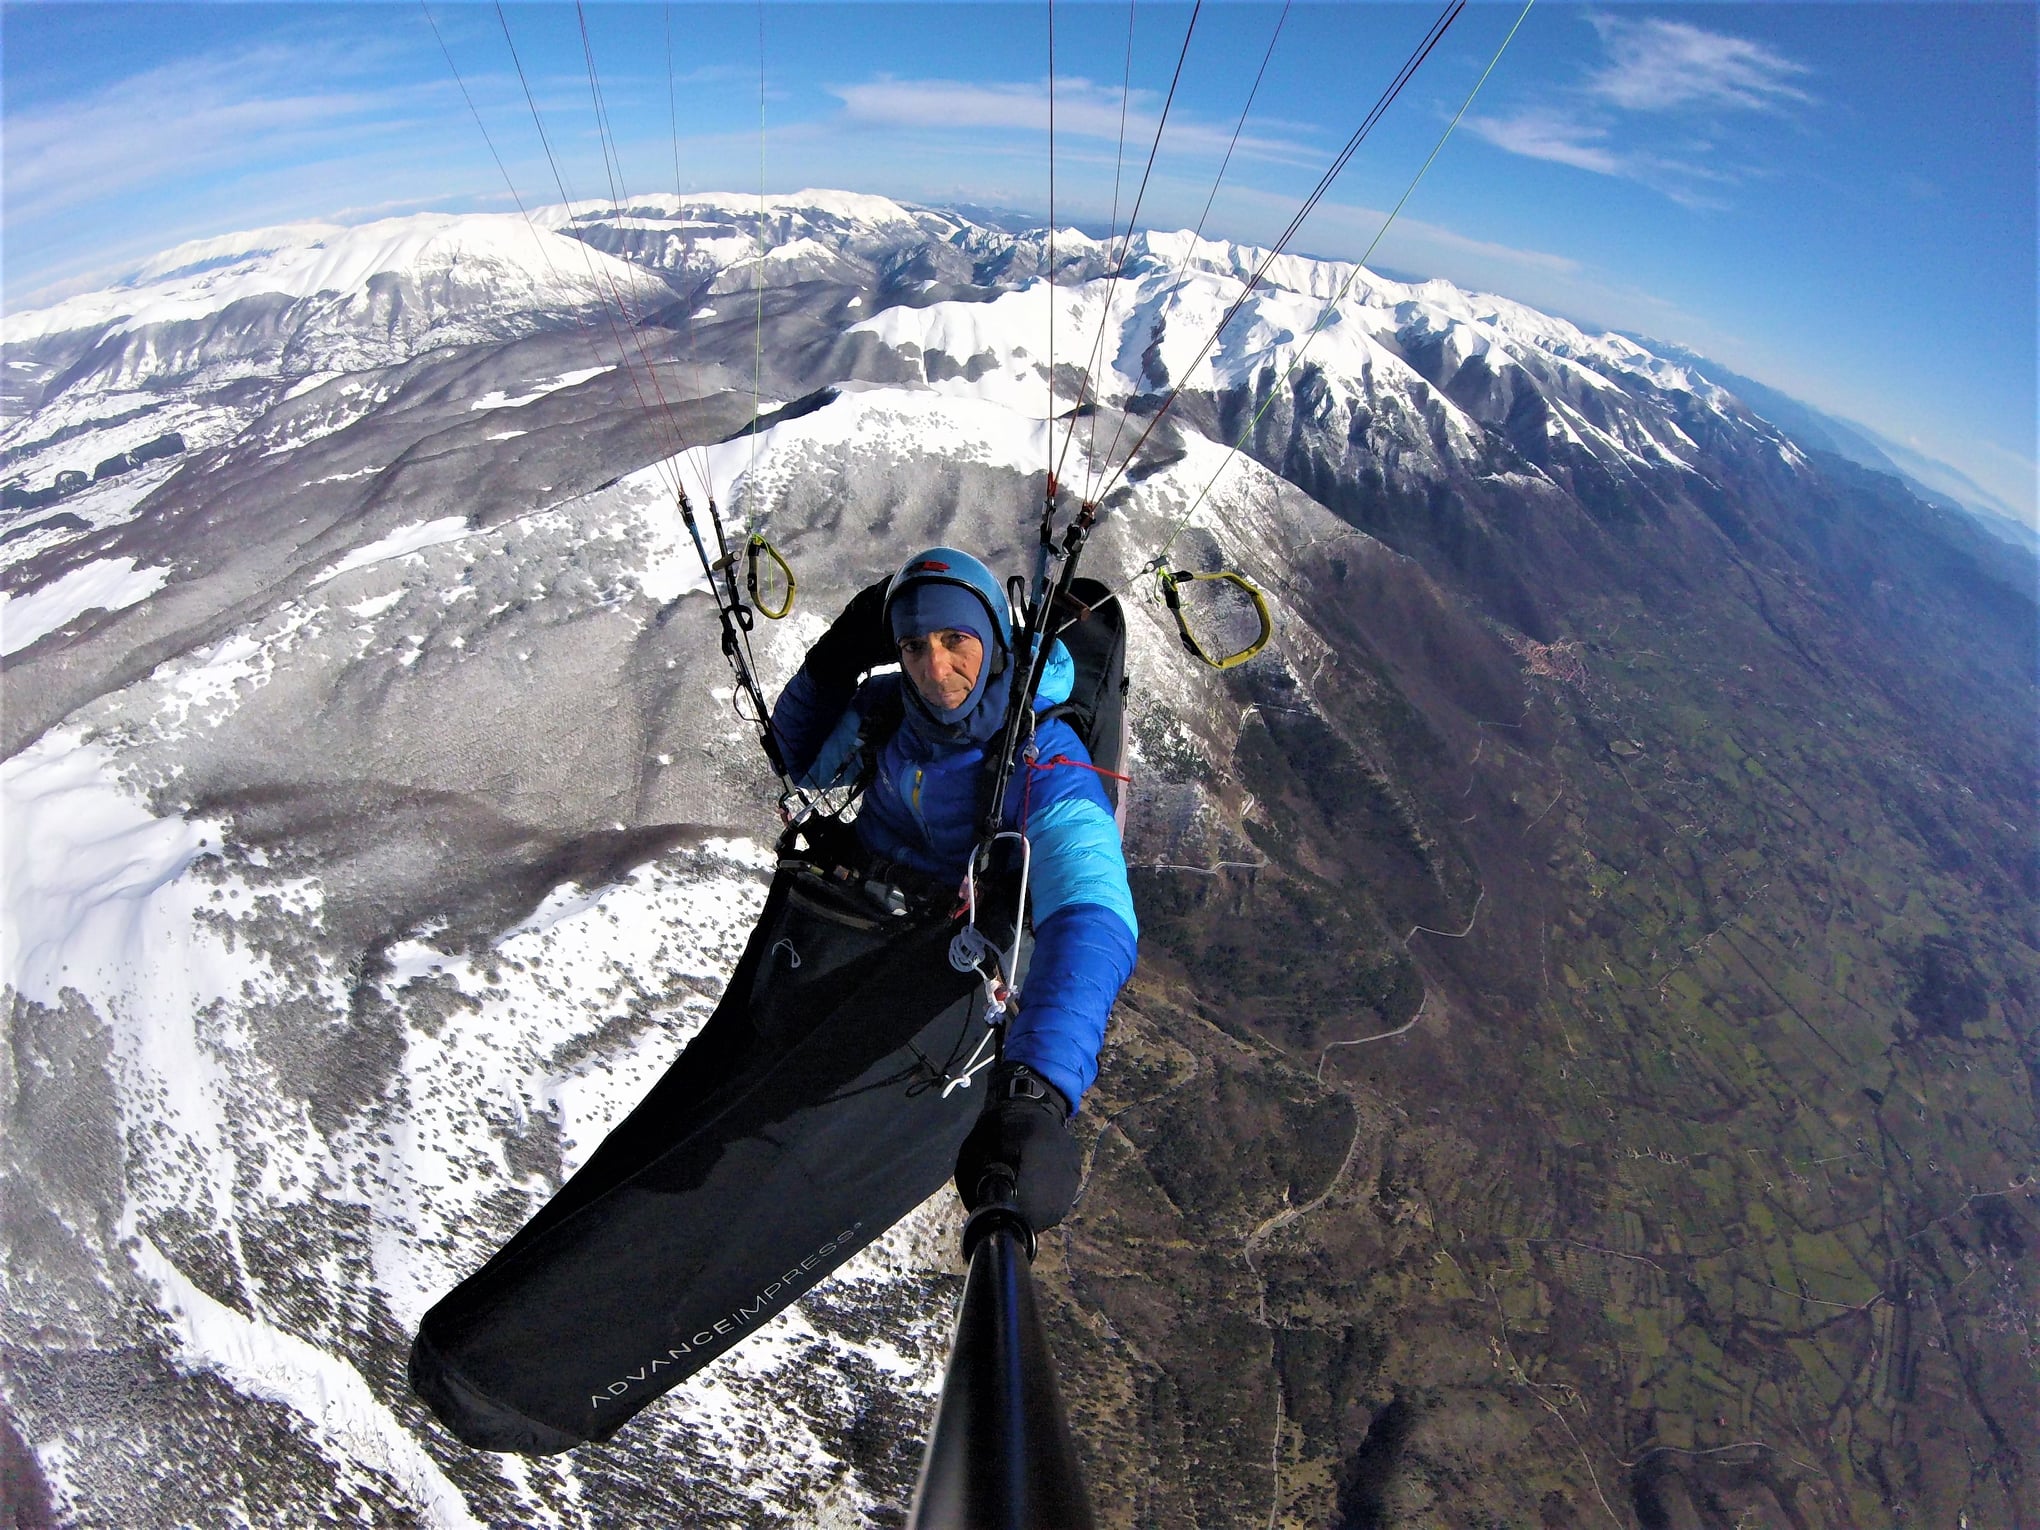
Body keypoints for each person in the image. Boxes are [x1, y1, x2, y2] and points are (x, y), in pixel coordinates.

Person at [769, 546, 1138, 1234]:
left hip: (945, 972)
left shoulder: (1040, 758)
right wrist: (835, 656)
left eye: (954, 640)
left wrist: (1036, 1087)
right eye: (913, 646)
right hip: (860, 937)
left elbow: (1096, 915)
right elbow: (802, 763)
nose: (935, 669)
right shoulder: (890, 712)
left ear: (992, 639)